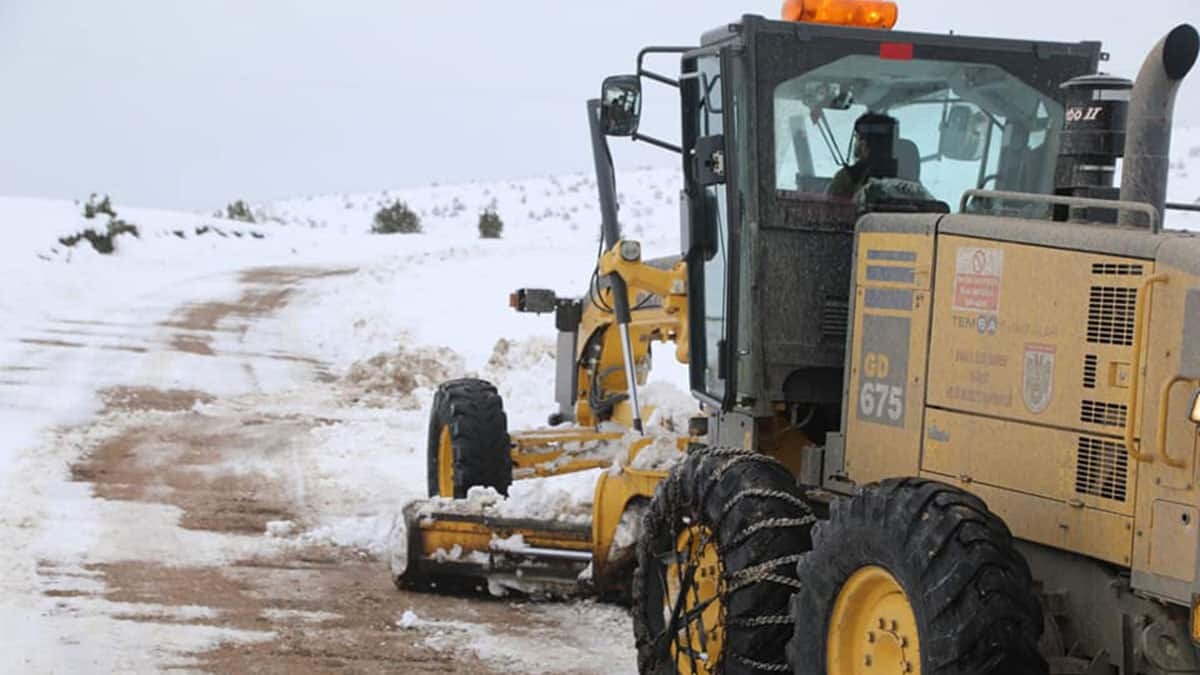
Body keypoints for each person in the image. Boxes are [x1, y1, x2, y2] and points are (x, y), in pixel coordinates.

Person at [828, 112, 899, 199]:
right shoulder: (908, 184)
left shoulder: (847, 179)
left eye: (857, 137)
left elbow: (826, 209)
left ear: (864, 143)